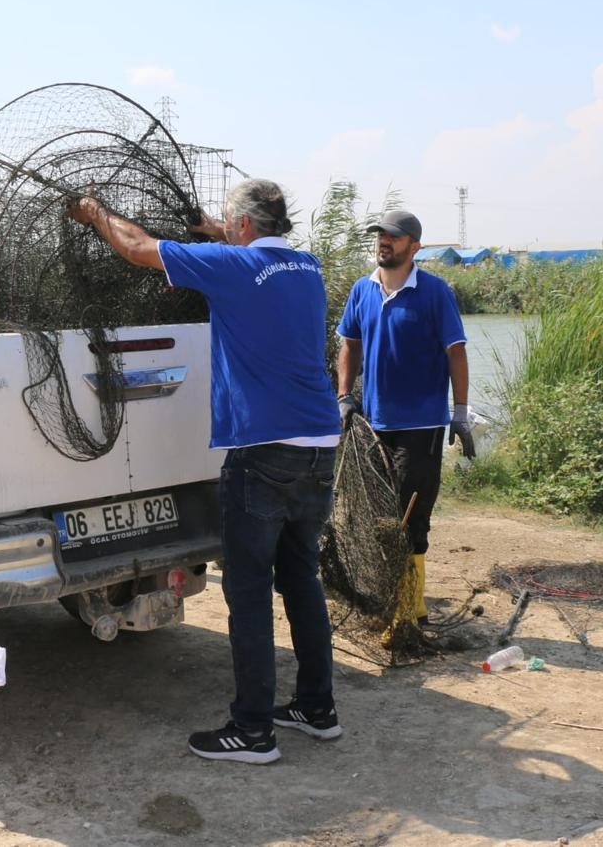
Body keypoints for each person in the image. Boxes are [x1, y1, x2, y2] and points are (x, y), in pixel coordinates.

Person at [66, 178, 340, 765]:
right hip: (320, 444)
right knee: (301, 579)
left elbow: (138, 247)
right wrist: (218, 232)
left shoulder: (231, 268)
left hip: (263, 451)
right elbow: (250, 250)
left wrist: (95, 215)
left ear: (242, 227)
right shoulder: (307, 265)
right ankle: (318, 709)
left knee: (247, 592)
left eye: (227, 222)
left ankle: (253, 730)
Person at [335, 209, 472, 633]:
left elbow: (456, 353)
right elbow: (350, 345)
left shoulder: (434, 292)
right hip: (374, 425)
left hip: (421, 425)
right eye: (380, 235)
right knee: (379, 516)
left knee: (412, 518)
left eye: (393, 237)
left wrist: (461, 412)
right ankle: (387, 598)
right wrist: (344, 396)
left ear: (414, 246)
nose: (384, 242)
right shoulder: (362, 289)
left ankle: (410, 611)